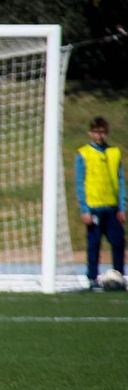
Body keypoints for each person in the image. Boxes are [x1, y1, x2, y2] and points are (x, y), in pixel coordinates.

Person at [75, 117, 125, 289]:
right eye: (96, 132)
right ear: (90, 133)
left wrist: (122, 207)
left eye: (102, 132)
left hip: (112, 207)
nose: (99, 135)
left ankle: (119, 275)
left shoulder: (114, 152)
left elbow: (120, 180)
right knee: (94, 243)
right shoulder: (84, 154)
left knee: (118, 241)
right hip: (94, 207)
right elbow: (80, 183)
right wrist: (84, 209)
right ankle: (92, 278)